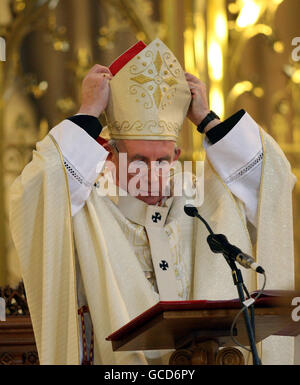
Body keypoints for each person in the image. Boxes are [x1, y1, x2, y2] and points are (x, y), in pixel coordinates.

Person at [9, 39, 297, 365]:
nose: (150, 174)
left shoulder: (202, 205)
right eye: (138, 161)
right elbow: (35, 191)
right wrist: (88, 113)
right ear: (110, 155)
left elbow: (272, 178)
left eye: (161, 162)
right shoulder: (88, 209)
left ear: (176, 156)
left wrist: (206, 118)